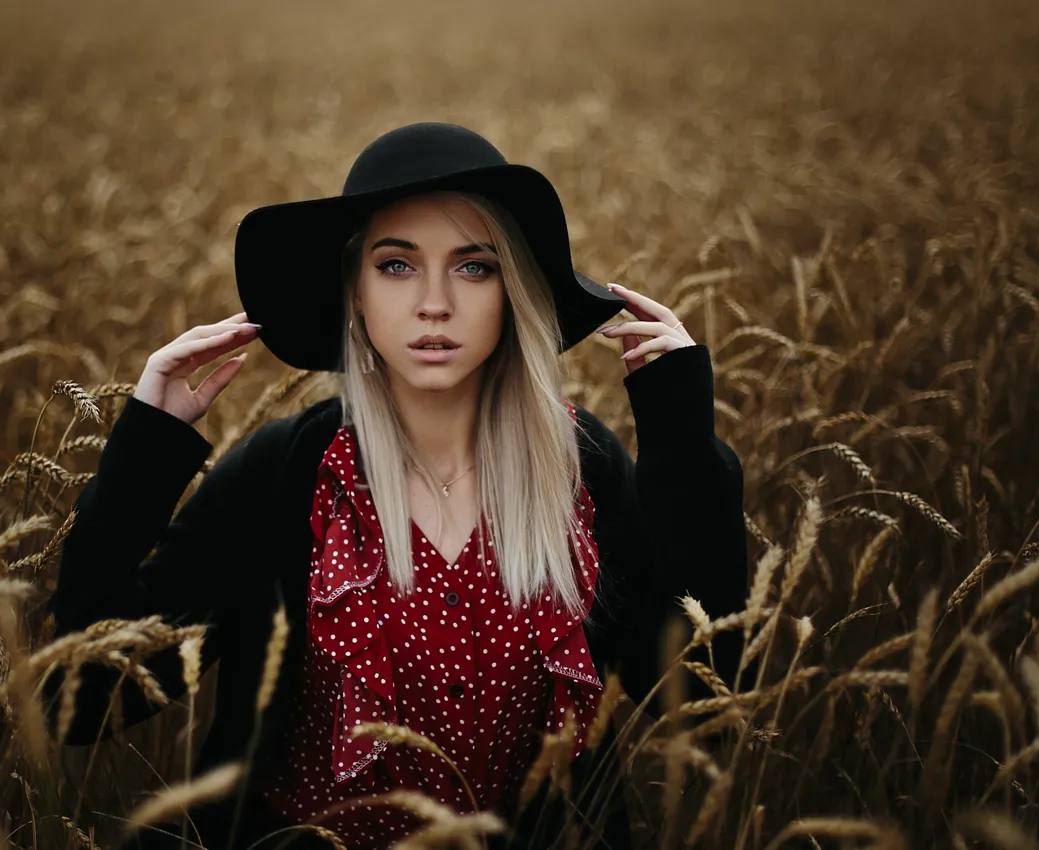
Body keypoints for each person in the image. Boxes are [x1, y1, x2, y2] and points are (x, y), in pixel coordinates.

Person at [44, 122, 748, 849]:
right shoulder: (286, 475)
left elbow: (702, 698)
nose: (434, 303)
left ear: (514, 290)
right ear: (354, 292)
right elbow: (81, 700)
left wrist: (682, 441)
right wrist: (145, 453)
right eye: (396, 266)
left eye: (474, 267)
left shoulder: (578, 467)